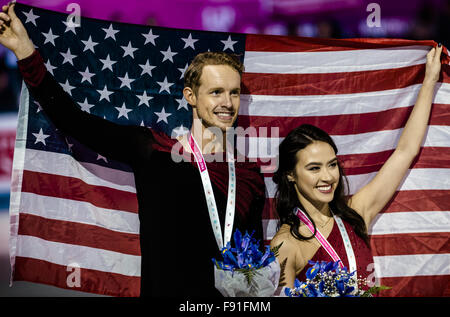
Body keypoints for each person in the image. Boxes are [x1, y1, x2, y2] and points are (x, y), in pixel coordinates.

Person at [0, 3, 266, 297]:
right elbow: (73, 120)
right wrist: (25, 52)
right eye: (216, 92)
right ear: (190, 96)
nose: (227, 102)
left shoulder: (248, 174)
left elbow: (254, 256)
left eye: (234, 92)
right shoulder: (153, 151)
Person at [270, 44, 443, 292]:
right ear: (290, 174)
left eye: (332, 165)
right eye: (314, 168)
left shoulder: (355, 214)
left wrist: (429, 81)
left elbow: (406, 152)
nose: (328, 176)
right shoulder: (285, 244)